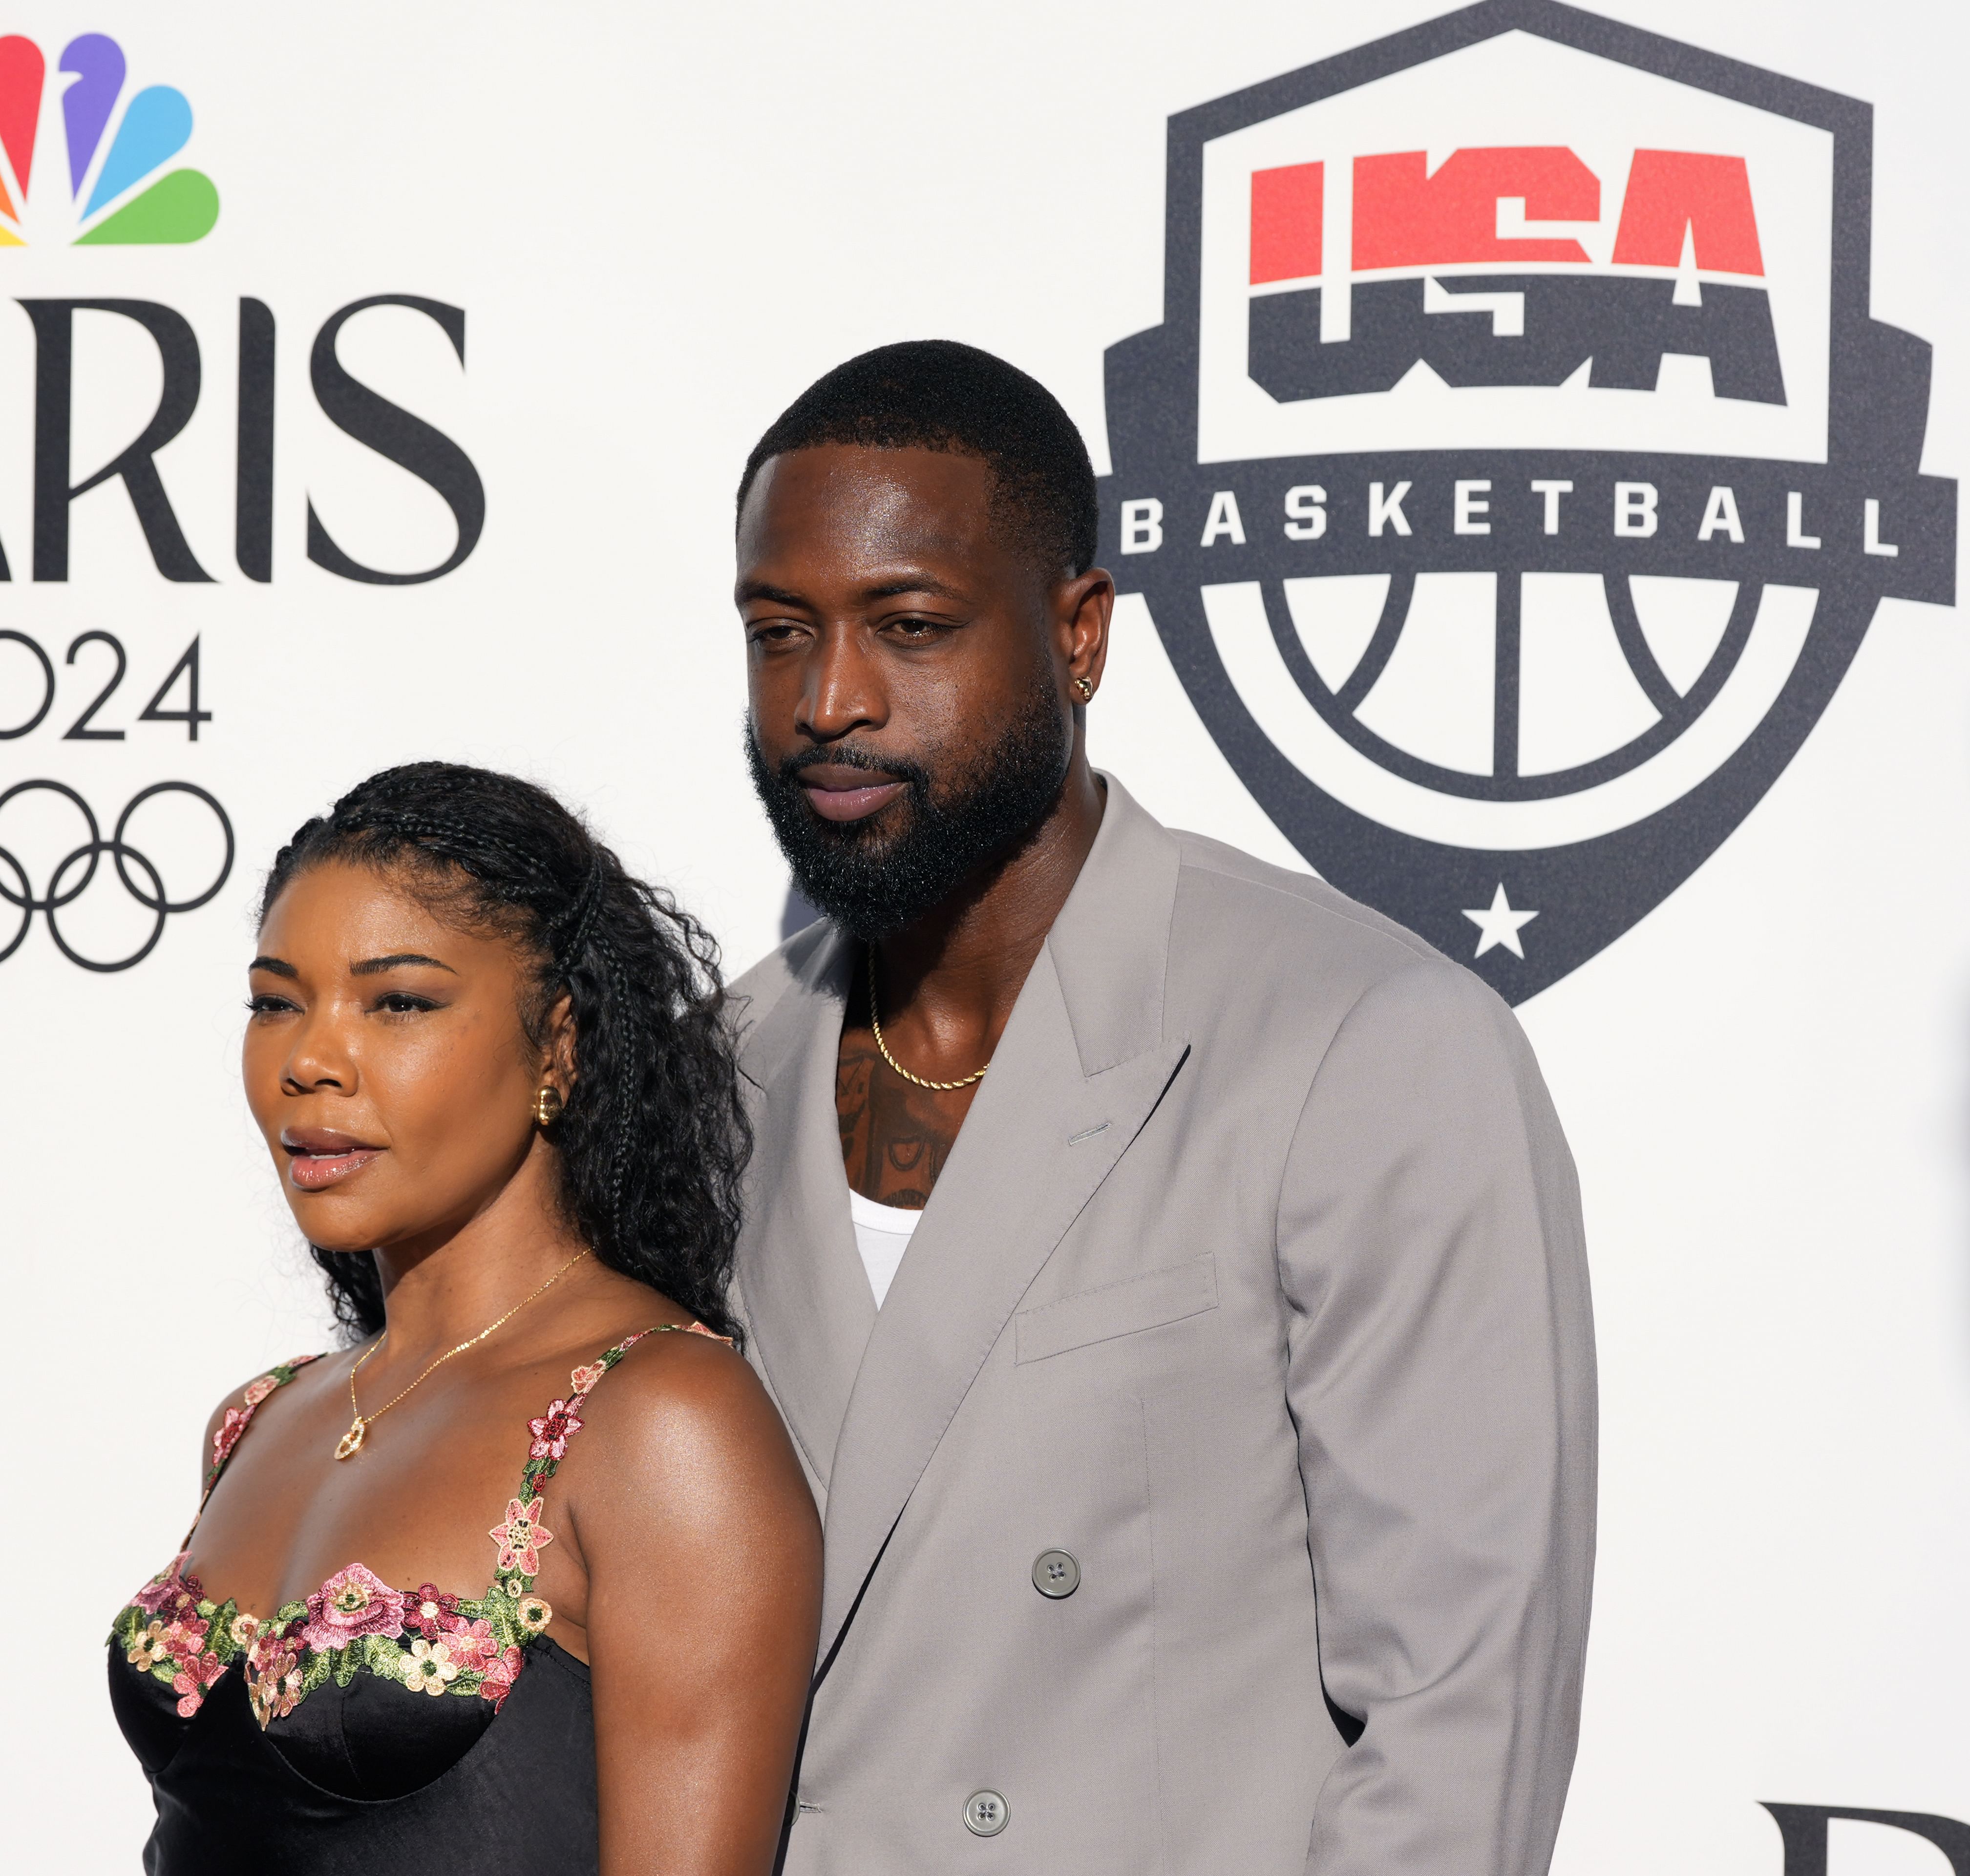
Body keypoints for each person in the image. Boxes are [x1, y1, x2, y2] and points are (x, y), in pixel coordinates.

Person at [724, 342, 1595, 1870]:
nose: (829, 699)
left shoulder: (1360, 1042)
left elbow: (1459, 1723)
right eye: (778, 633)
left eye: (909, 626)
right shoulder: (716, 1071)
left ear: (1079, 636)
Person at [107, 761, 821, 1876]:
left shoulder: (660, 1422)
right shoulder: (259, 1418)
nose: (310, 1061)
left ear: (560, 1044)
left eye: (398, 1002)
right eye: (275, 1001)